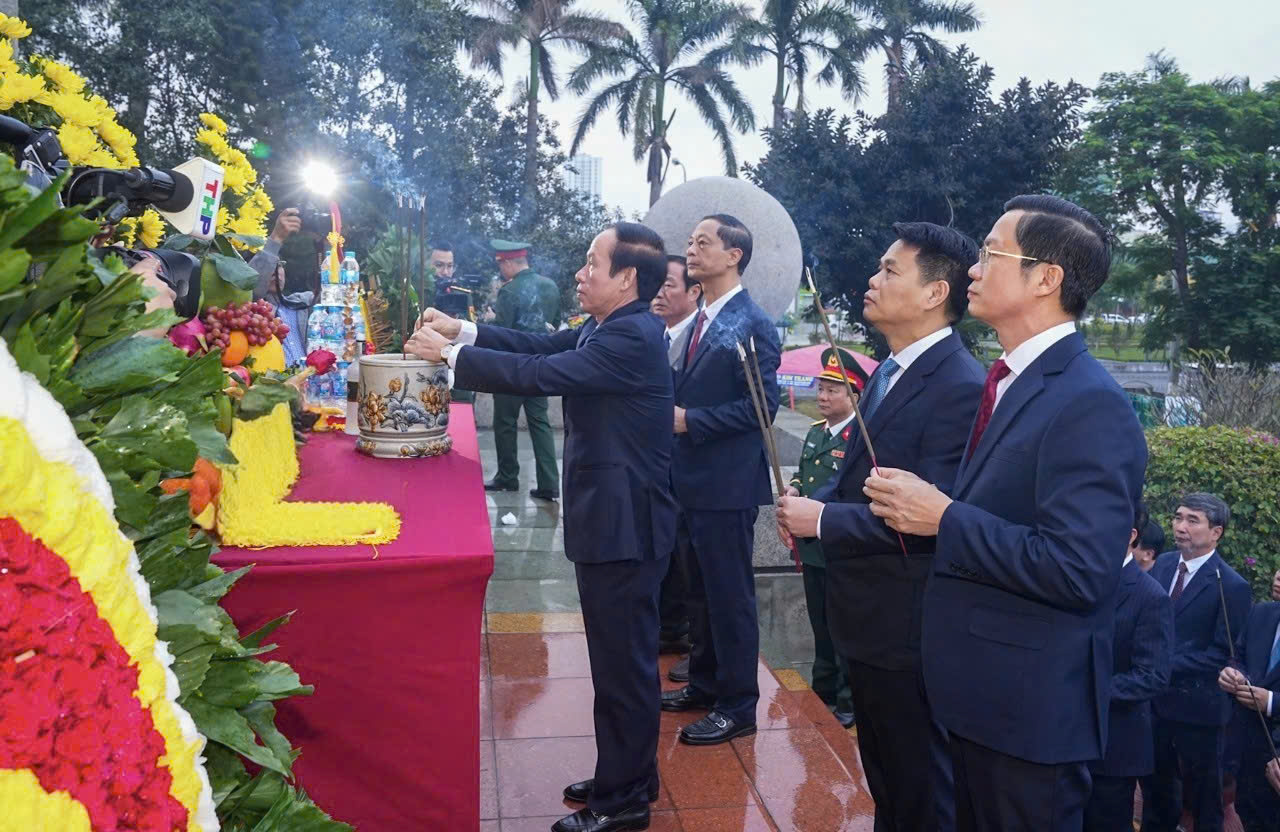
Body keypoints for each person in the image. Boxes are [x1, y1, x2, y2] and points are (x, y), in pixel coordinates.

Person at [862, 195, 1147, 831]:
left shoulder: (1089, 402)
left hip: (1028, 713)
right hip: (977, 697)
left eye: (992, 253)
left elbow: (1080, 570)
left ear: (1046, 279)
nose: (974, 268)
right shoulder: (1012, 380)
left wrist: (945, 517)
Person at [405, 222, 676, 832]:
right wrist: (462, 332)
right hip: (612, 520)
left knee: (624, 668)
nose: (580, 274)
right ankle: (629, 775)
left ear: (627, 278)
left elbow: (539, 376)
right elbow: (539, 346)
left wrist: (446, 358)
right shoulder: (606, 326)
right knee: (618, 664)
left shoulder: (632, 336)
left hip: (626, 527)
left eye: (592, 263)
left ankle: (624, 800)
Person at [777, 221, 983, 831]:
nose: (873, 279)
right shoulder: (891, 371)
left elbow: (926, 514)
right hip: (868, 619)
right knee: (887, 779)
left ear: (934, 293)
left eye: (891, 270)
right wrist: (812, 504)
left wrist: (823, 520)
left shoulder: (958, 385)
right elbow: (861, 482)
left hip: (908, 627)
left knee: (920, 785)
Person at [660, 214, 780, 746]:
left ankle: (738, 704)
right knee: (700, 594)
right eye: (690, 242)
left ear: (734, 255)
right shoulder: (702, 318)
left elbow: (763, 408)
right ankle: (705, 683)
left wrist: (692, 421)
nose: (692, 249)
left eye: (703, 242)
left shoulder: (751, 322)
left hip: (727, 486)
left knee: (729, 598)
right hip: (690, 480)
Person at [1141, 494, 1252, 832]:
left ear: (1216, 532)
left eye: (1192, 520)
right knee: (1156, 794)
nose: (1181, 526)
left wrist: (1161, 663)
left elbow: (1224, 652)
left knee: (1205, 802)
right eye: (1178, 517)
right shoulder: (1162, 565)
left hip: (1199, 711)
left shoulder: (1231, 585)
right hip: (1154, 704)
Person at [784, 347, 863, 729]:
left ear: (855, 396)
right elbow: (803, 474)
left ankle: (848, 699)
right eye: (821, 388)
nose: (823, 396)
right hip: (811, 548)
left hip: (840, 545)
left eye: (834, 390)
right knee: (820, 625)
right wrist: (794, 489)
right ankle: (823, 691)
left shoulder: (858, 437)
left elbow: (848, 488)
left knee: (843, 626)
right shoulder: (816, 432)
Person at [1084, 501, 1173, 832]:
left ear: (1131, 535)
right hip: (1061, 740)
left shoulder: (1151, 596)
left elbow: (1152, 676)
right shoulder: (1077, 577)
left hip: (1113, 749)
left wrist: (1086, 689)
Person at [650, 255, 702, 675]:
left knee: (692, 566)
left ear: (694, 291)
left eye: (669, 284)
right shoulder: (654, 334)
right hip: (657, 467)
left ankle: (694, 644)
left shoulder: (703, 339)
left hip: (694, 467)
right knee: (664, 553)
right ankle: (667, 628)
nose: (659, 293)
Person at [485, 239, 562, 500]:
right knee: (540, 423)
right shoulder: (550, 286)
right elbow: (554, 323)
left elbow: (502, 333)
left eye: (501, 265)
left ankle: (507, 477)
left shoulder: (509, 291)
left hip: (512, 368)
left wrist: (490, 321)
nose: (500, 271)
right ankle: (549, 483)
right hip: (540, 365)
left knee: (505, 422)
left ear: (508, 262)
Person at [1217, 567, 1280, 831]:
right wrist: (1232, 674)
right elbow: (1239, 657)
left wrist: (1272, 702)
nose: (1278, 576)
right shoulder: (1261, 613)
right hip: (1248, 756)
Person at [251, 207, 302, 300]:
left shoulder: (300, 302)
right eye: (269, 265)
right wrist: (276, 238)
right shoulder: (245, 306)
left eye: (279, 265)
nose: (275, 271)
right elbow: (249, 288)